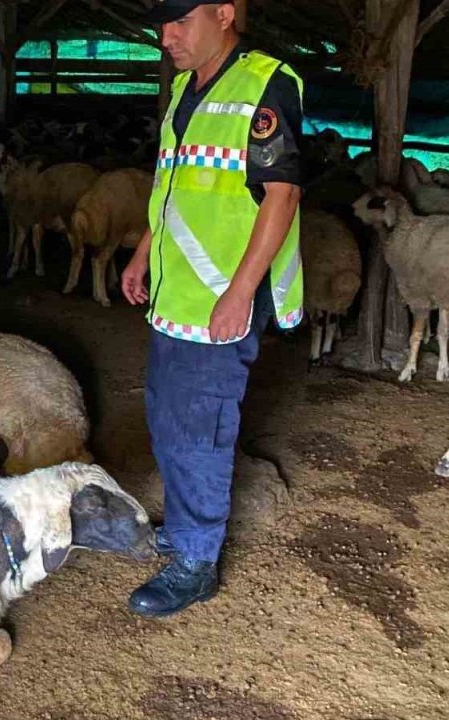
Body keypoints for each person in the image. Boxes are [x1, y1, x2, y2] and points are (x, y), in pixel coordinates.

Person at [122, 0, 304, 617]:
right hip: (176, 296)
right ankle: (180, 527)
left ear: (224, 13)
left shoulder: (264, 85)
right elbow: (170, 187)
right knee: (166, 414)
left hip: (221, 298)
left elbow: (281, 195)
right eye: (161, 25)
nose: (165, 37)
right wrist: (142, 254)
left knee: (200, 426)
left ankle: (197, 561)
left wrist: (240, 292)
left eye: (179, 21)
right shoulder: (181, 92)